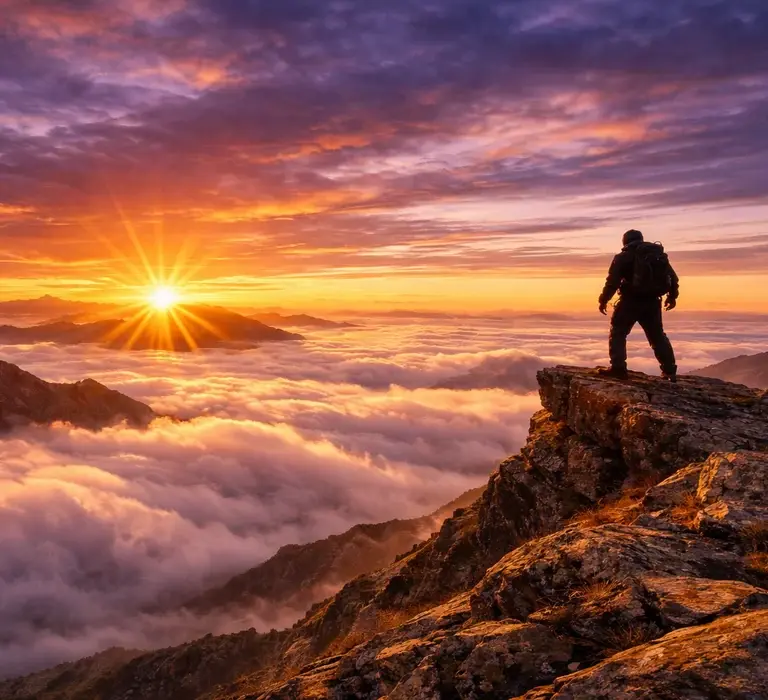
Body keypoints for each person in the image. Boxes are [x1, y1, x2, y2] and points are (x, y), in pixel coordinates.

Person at [597, 229, 679, 381]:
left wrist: (603, 300)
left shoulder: (623, 257)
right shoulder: (657, 256)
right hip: (653, 302)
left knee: (618, 332)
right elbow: (673, 278)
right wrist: (672, 297)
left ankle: (618, 368)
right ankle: (669, 371)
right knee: (657, 336)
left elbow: (612, 282)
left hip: (630, 301)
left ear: (625, 241)